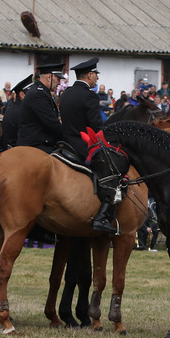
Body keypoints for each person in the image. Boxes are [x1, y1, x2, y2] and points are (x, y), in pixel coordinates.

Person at [60, 57, 115, 234]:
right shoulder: (89, 95)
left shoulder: (66, 93)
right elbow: (96, 125)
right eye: (96, 75)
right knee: (114, 173)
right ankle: (103, 216)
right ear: (89, 75)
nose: (97, 79)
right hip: (84, 144)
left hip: (65, 142)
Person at [18, 62, 65, 153]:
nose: (59, 83)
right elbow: (51, 123)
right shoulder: (38, 94)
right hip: (35, 147)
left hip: (39, 144)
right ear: (49, 77)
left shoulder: (41, 92)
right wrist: (69, 135)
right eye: (58, 79)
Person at [1, 75, 32, 147]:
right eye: (30, 93)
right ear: (22, 95)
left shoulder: (14, 107)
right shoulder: (24, 112)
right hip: (18, 152)